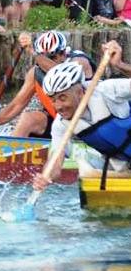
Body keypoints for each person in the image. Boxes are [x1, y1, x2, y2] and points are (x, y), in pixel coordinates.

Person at [32, 43, 131, 192]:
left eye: (63, 98)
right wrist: (46, 176)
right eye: (53, 100)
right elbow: (56, 161)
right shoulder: (61, 125)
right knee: (86, 166)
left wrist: (120, 65)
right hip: (121, 162)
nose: (58, 106)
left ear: (79, 92)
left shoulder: (107, 91)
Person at [0, 30, 96, 137]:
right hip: (59, 121)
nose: (43, 60)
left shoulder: (80, 61)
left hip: (87, 121)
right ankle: (12, 152)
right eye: (43, 57)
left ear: (63, 53)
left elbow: (60, 73)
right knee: (27, 119)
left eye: (52, 57)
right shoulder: (35, 73)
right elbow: (15, 106)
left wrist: (33, 52)